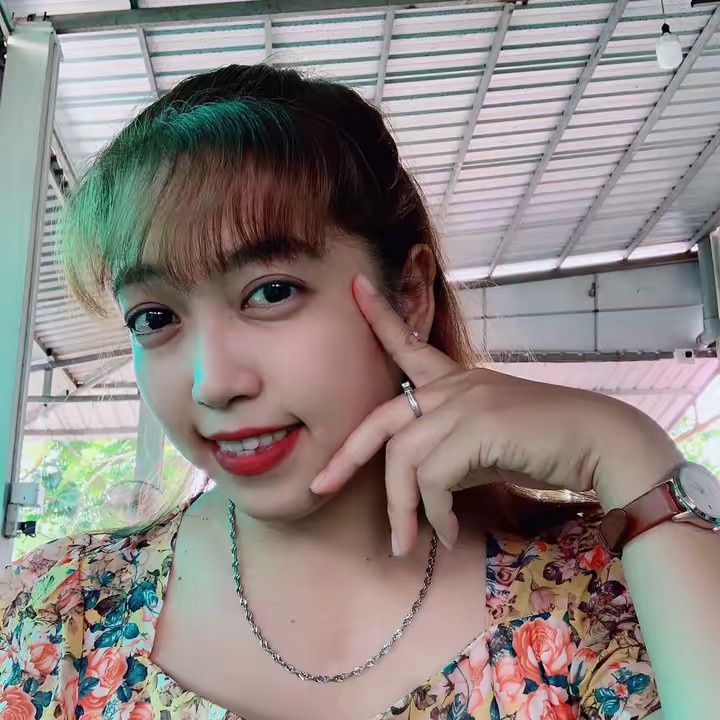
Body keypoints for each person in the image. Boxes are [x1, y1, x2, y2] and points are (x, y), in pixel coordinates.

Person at [1, 64, 718, 720]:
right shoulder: (57, 617)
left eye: (270, 292)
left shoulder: (614, 592)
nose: (213, 382)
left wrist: (626, 446)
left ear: (409, 294)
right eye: (155, 318)